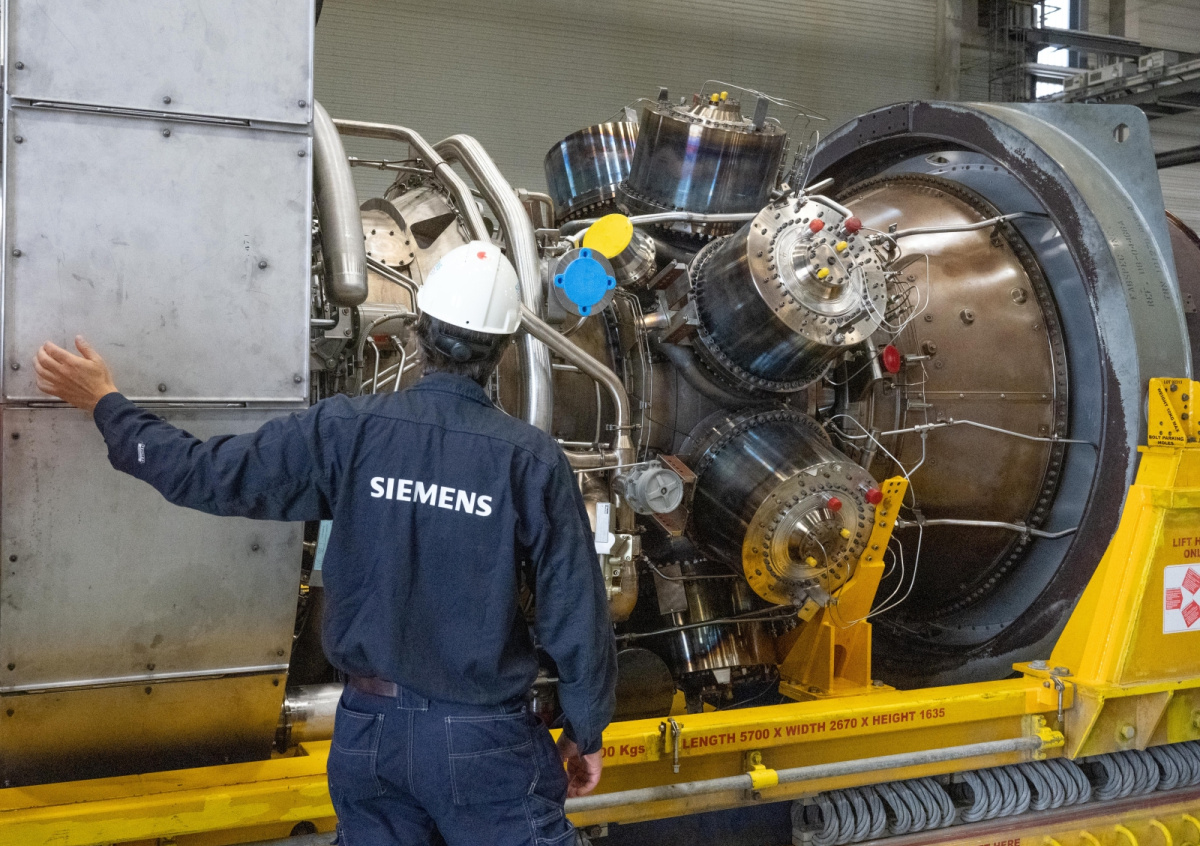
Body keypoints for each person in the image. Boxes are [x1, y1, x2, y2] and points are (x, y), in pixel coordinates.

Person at [34, 241, 618, 846]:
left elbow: (206, 474)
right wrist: (586, 728)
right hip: (480, 741)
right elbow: (575, 607)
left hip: (368, 733)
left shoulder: (346, 430)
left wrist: (107, 406)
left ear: (420, 332)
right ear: (501, 349)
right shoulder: (530, 460)